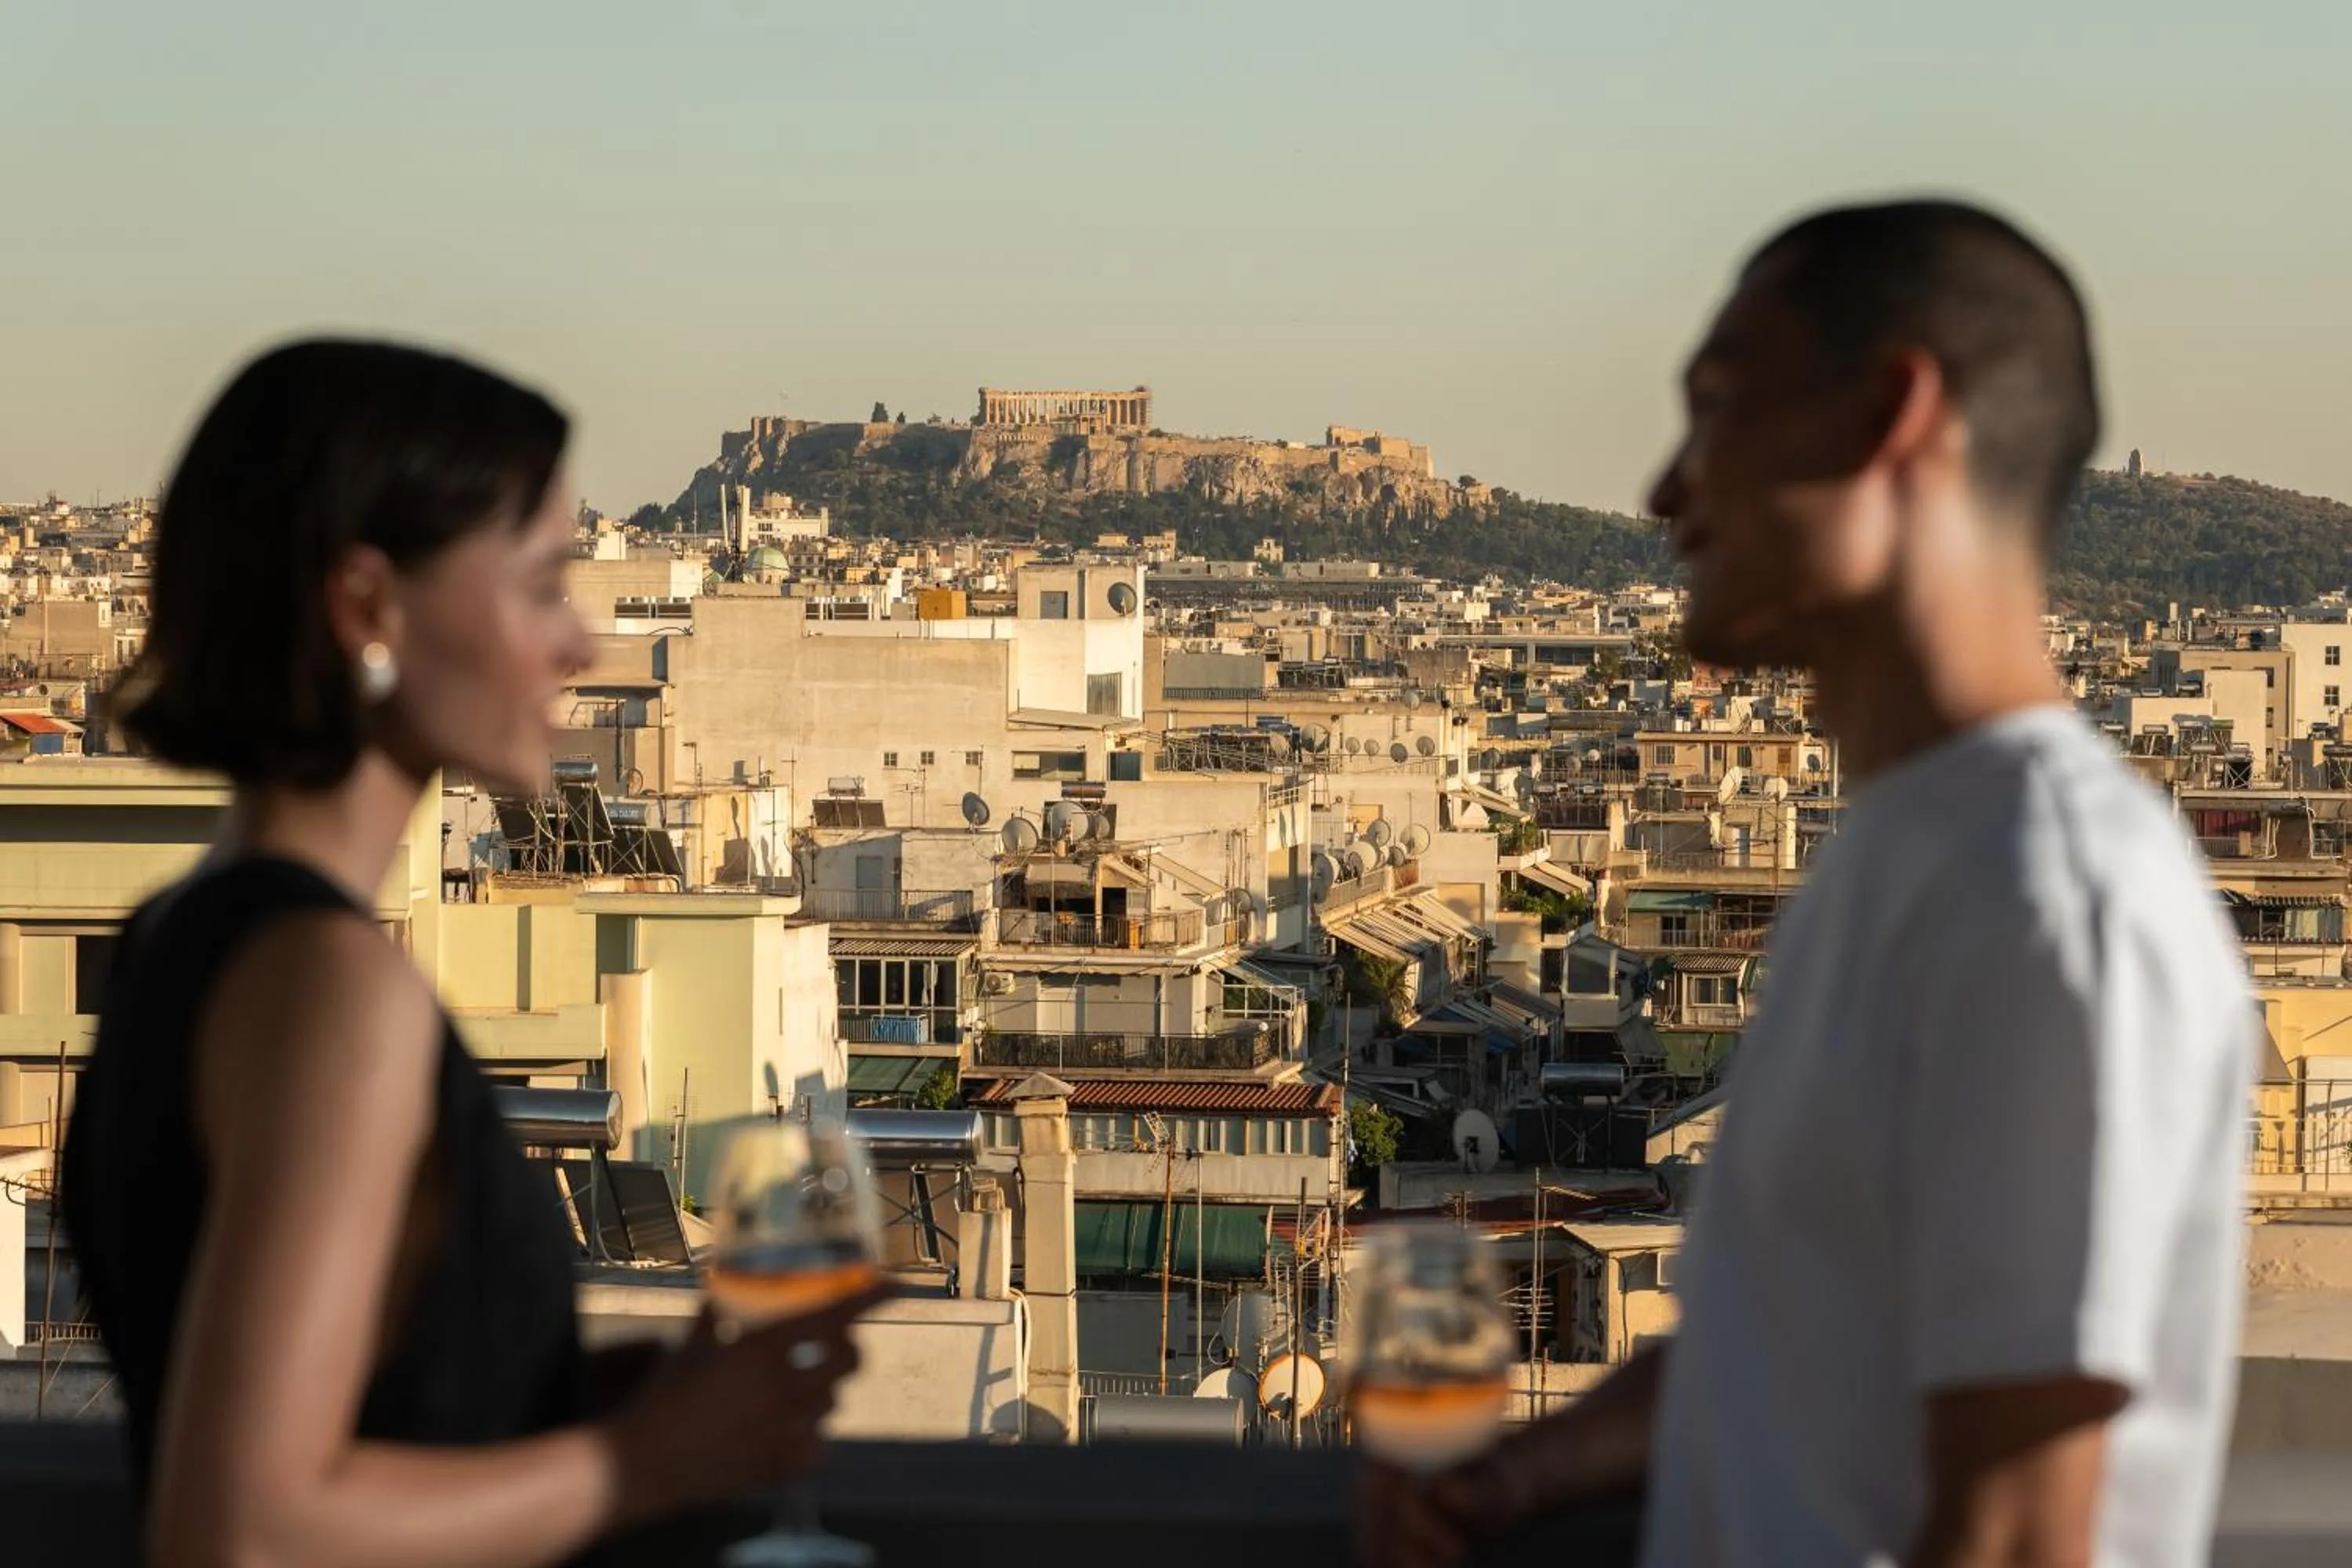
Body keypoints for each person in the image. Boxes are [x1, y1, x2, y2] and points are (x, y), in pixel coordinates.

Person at [1366, 200, 2252, 1566]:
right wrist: (1533, 1470)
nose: (1668, 486)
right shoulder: (1900, 861)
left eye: (1720, 406)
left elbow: (2019, 1534)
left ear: (1892, 416)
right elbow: (1808, 1347)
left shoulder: (2046, 889)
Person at [61, 339, 882, 1568]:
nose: (580, 642)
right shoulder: (328, 988)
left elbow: (331, 1413)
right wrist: (651, 1462)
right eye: (544, 584)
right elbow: (240, 1529)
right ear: (368, 606)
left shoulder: (181, 934)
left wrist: (555, 1401)